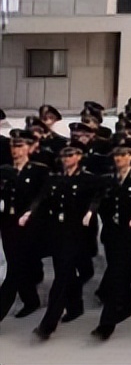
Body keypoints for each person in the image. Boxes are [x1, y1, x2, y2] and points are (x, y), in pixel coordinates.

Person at [29, 145, 102, 340]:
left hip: (77, 234)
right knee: (66, 274)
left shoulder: (87, 179)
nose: (66, 158)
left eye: (70, 155)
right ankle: (75, 307)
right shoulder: (55, 179)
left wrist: (91, 211)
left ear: (79, 156)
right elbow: (43, 198)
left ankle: (48, 325)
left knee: (61, 279)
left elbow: (100, 195)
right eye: (63, 155)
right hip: (58, 233)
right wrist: (30, 212)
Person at [92, 144, 131, 340]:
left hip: (128, 233)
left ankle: (106, 323)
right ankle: (126, 307)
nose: (118, 159)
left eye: (123, 155)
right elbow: (99, 200)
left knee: (118, 273)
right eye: (116, 156)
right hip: (111, 233)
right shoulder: (108, 180)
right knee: (120, 271)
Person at [0, 129, 50, 326]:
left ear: (29, 147)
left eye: (20, 146)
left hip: (28, 226)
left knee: (14, 270)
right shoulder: (5, 170)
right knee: (17, 265)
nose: (16, 150)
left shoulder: (38, 170)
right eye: (13, 145)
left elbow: (42, 196)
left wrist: (31, 212)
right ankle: (31, 300)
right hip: (8, 225)